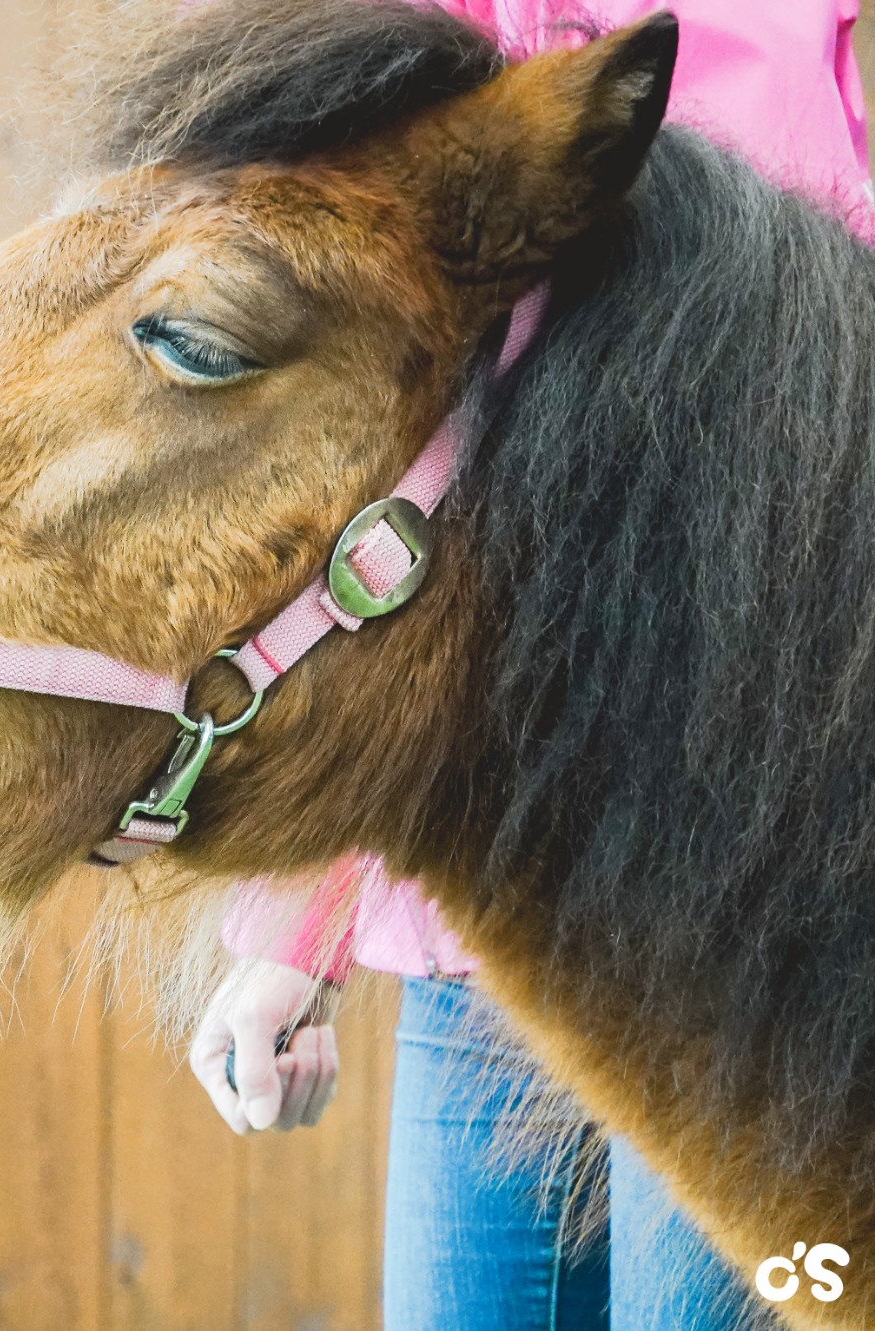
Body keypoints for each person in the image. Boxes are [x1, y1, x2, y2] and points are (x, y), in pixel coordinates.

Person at [190, 2, 871, 1328]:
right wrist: (303, 928)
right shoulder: (461, 29)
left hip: (765, 944)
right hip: (500, 926)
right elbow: (401, 498)